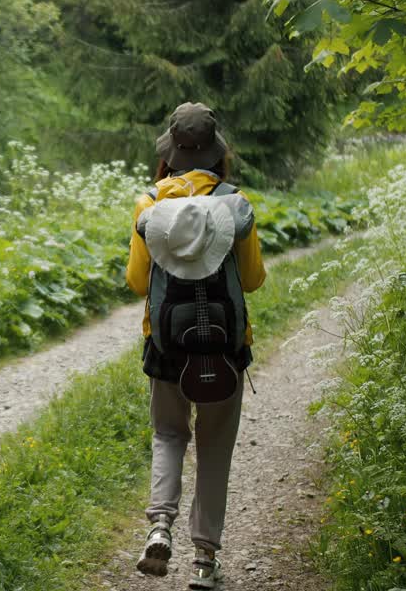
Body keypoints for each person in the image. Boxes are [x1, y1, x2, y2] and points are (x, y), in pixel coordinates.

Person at [125, 103, 266, 589]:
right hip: (224, 346)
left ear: (169, 152)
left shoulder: (149, 205)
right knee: (214, 449)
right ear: (217, 151)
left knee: (168, 435)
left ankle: (158, 525)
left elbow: (138, 283)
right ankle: (204, 561)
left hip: (166, 344)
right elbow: (251, 281)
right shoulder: (235, 202)